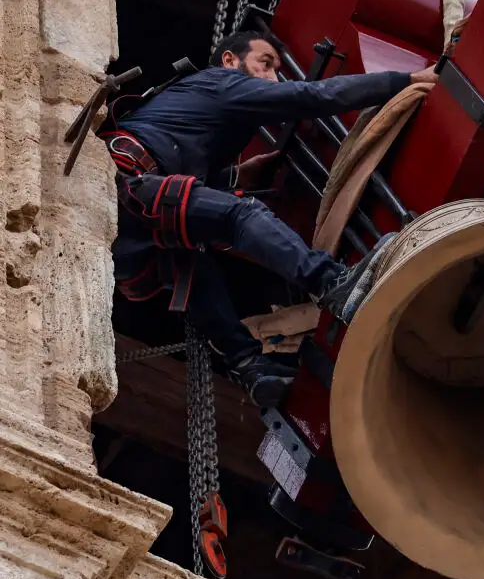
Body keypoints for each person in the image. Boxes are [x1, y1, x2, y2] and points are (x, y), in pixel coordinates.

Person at [103, 25, 438, 406]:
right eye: (265, 63)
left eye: (277, 70)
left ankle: (249, 364)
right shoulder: (221, 82)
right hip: (126, 184)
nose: (272, 77)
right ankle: (334, 285)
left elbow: (179, 152)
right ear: (230, 60)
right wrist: (406, 80)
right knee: (238, 216)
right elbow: (314, 95)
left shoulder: (195, 105)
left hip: (125, 230)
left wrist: (232, 176)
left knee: (189, 264)